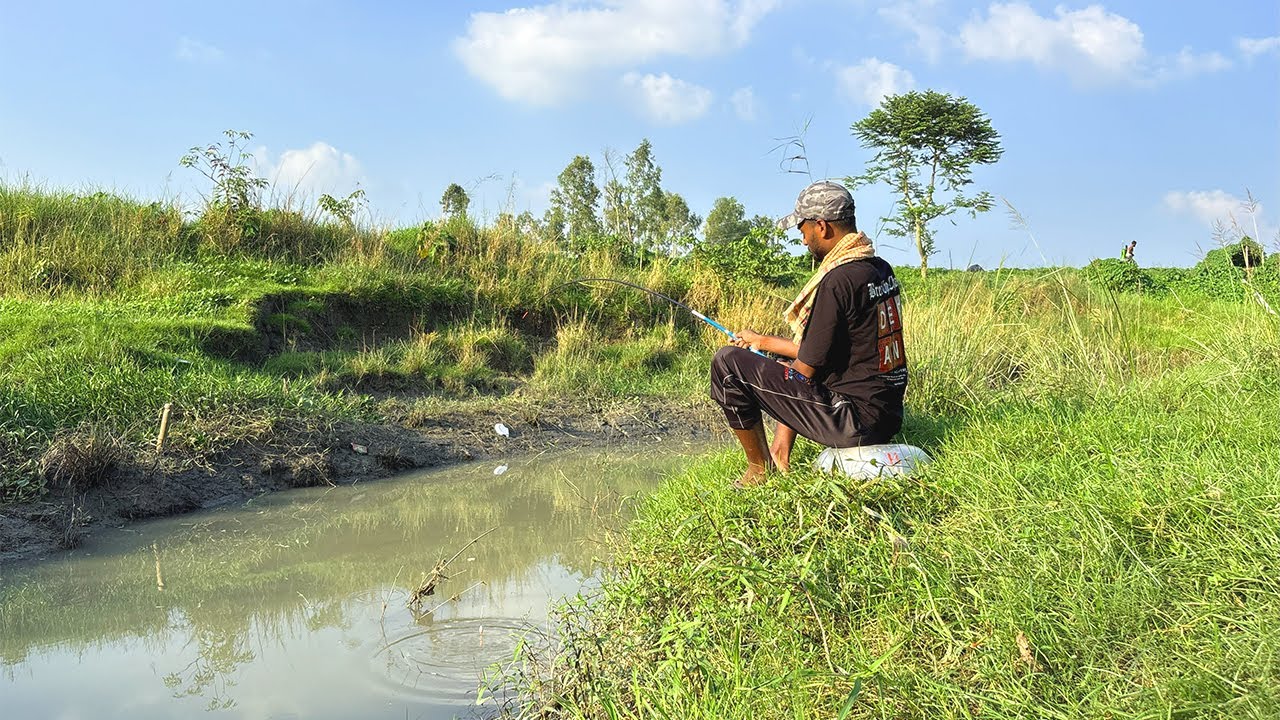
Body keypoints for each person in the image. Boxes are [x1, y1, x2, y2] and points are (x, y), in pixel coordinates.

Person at [710, 180, 908, 487]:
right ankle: (776, 453)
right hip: (886, 416)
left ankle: (759, 471)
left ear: (823, 227)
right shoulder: (878, 269)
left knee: (727, 363)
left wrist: (780, 434)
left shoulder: (838, 281)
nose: (803, 240)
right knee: (771, 356)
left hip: (852, 421)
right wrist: (762, 343)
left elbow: (805, 368)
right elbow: (824, 351)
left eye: (804, 230)